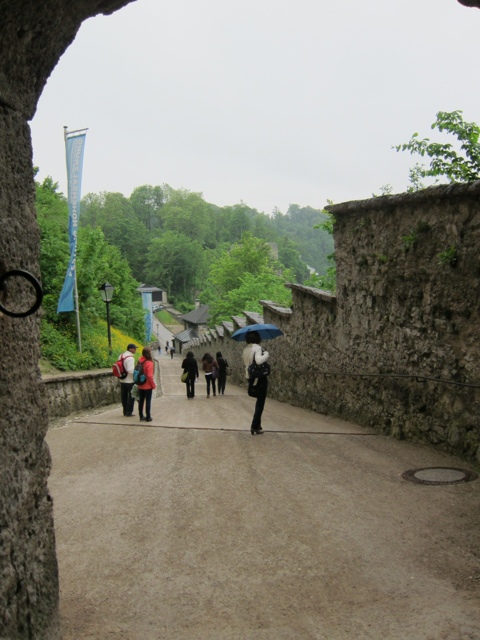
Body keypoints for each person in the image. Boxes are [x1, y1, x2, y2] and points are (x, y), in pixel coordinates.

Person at [242, 331, 269, 435]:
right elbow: (258, 361)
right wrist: (266, 354)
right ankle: (255, 425)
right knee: (260, 402)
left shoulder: (245, 350)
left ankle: (258, 425)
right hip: (259, 378)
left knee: (259, 401)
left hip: (250, 377)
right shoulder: (257, 348)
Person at [137, 347, 156, 422]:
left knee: (141, 400)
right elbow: (149, 376)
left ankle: (141, 416)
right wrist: (153, 385)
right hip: (147, 385)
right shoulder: (149, 363)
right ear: (149, 353)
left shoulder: (140, 360)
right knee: (148, 401)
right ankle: (148, 416)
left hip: (140, 384)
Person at [119, 343, 137, 417]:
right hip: (129, 380)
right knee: (131, 396)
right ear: (131, 349)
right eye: (134, 348)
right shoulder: (130, 358)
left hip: (122, 379)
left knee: (124, 396)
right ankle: (129, 412)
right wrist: (136, 376)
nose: (135, 350)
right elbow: (130, 370)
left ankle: (124, 411)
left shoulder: (121, 356)